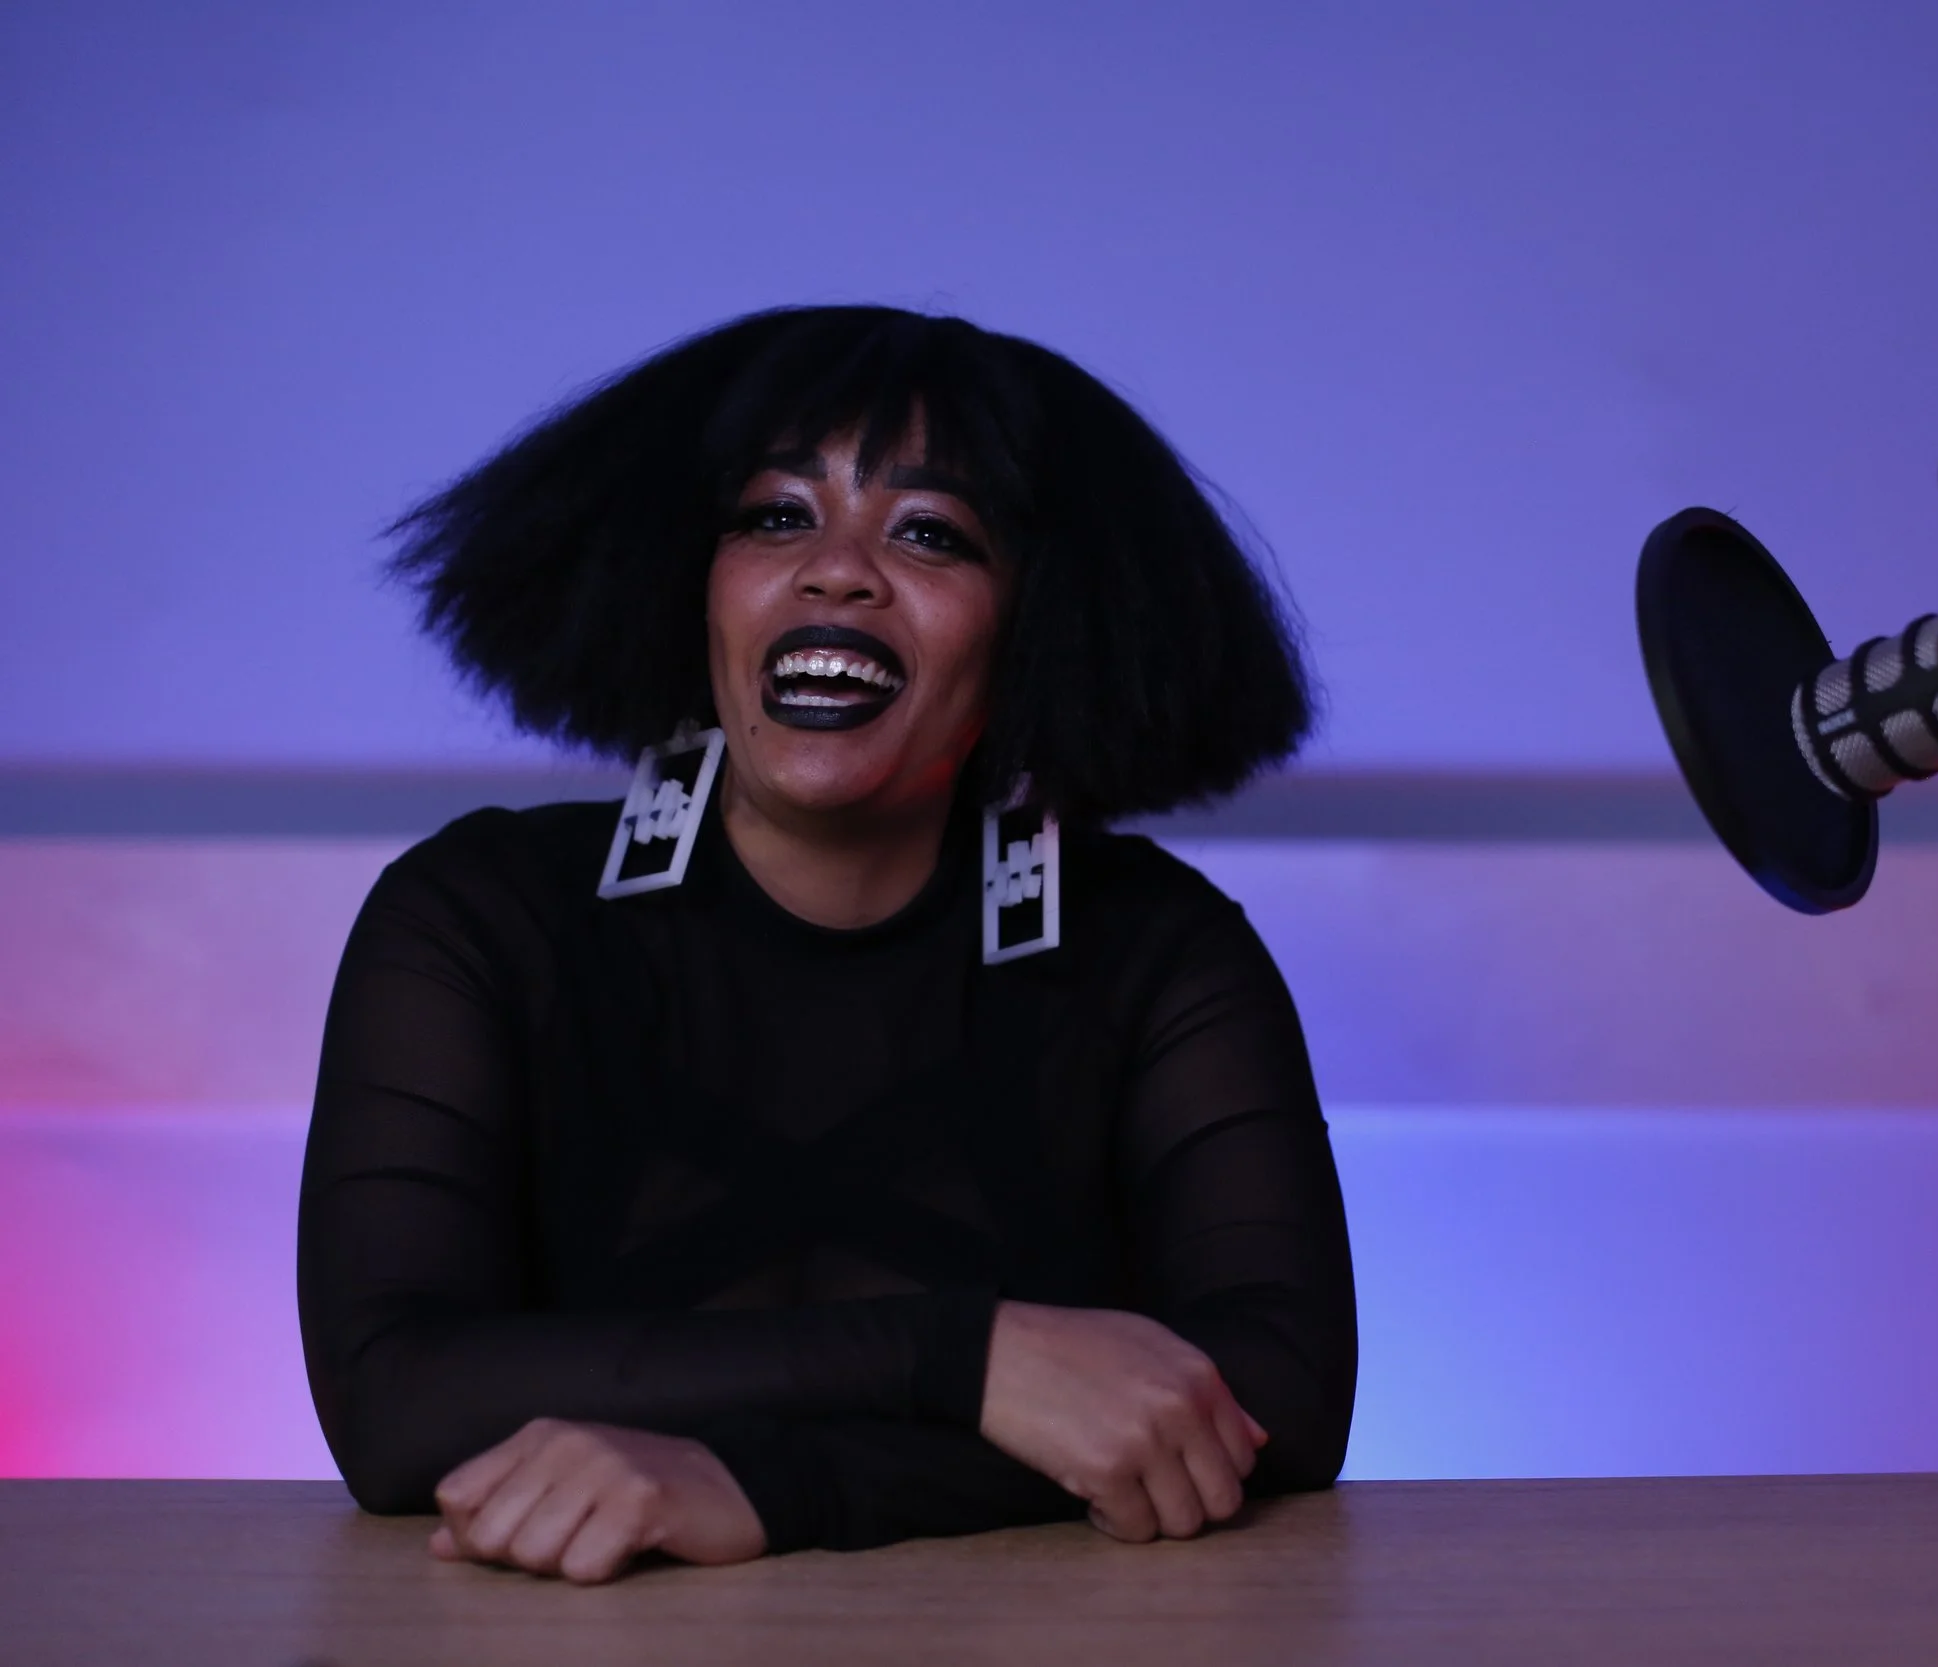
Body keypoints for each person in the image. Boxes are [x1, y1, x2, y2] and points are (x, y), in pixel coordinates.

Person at [296, 305, 1358, 1584]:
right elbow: (397, 1401)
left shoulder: (1160, 949)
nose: (837, 571)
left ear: (1038, 622)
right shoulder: (476, 914)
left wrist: (767, 1488)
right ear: (690, 586)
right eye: (776, 516)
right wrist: (967, 1359)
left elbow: (1280, 1399)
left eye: (930, 532)